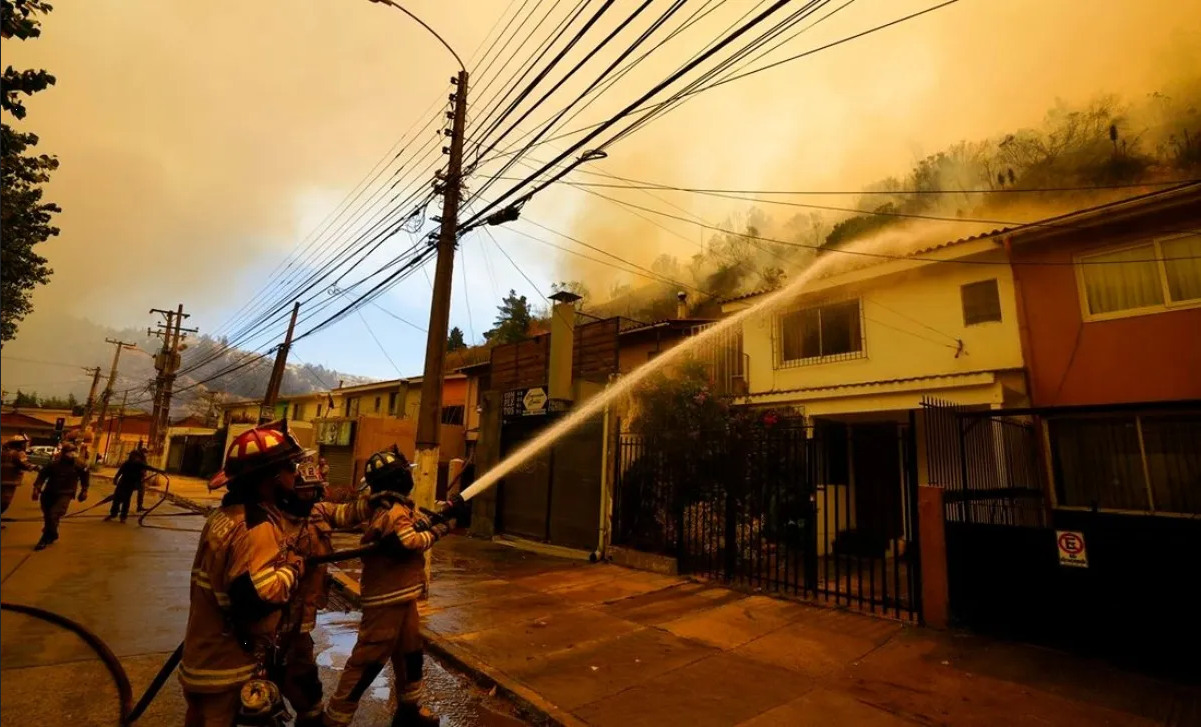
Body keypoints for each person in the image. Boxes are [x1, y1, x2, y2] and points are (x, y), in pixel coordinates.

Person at [179, 422, 310, 727]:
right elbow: (258, 597)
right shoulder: (256, 525)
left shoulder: (225, 516)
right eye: (290, 467)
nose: (296, 475)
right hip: (229, 662)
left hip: (203, 654)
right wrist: (292, 568)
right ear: (270, 478)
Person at [323, 446, 462, 727]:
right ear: (397, 479)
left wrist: (441, 515)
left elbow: (414, 528)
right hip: (386, 598)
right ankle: (336, 719)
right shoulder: (393, 511)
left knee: (410, 652)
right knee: (368, 660)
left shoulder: (397, 508)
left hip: (402, 595)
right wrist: (442, 528)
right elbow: (409, 542)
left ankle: (408, 711)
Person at [271, 455, 373, 725]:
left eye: (312, 492)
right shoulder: (270, 523)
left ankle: (309, 717)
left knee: (303, 676)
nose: (308, 498)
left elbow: (346, 513)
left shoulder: (317, 513)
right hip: (271, 621)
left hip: (301, 620)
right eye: (302, 491)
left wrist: (374, 502)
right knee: (262, 679)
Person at [31, 442, 89, 550]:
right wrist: (37, 488)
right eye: (69, 452)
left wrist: (84, 490)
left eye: (73, 452)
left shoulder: (79, 465)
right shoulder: (54, 464)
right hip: (49, 492)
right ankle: (52, 533)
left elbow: (85, 477)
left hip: (66, 493)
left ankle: (44, 538)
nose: (71, 454)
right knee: (48, 516)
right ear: (63, 453)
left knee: (54, 514)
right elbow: (42, 475)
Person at [1, 434, 39, 529]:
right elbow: (25, 464)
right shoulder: (18, 453)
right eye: (23, 443)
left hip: (3, 480)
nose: (25, 445)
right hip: (9, 481)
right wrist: (38, 468)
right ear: (18, 444)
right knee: (5, 502)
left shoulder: (4, 452)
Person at [106, 448, 150, 523]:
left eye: (135, 456)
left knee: (126, 501)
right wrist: (115, 479)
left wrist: (159, 471)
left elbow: (146, 469)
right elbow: (120, 471)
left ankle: (123, 517)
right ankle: (113, 514)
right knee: (117, 499)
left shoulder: (139, 464)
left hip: (130, 485)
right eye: (132, 455)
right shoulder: (126, 463)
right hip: (122, 483)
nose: (133, 457)